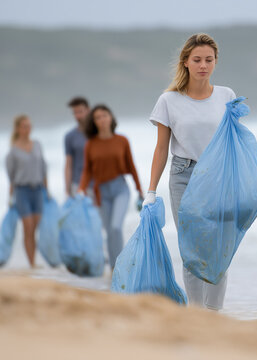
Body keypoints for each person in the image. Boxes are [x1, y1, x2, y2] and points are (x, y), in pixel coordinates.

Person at [142, 33, 237, 310]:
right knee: (192, 249)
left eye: (209, 60)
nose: (203, 65)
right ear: (185, 62)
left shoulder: (226, 96)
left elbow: (234, 143)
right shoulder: (168, 100)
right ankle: (195, 311)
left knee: (218, 249)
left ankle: (214, 312)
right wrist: (150, 190)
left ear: (216, 62)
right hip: (183, 176)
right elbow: (161, 149)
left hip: (218, 178)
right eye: (197, 60)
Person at [78, 105, 143, 270]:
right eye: (98, 117)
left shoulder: (122, 140)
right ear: (94, 122)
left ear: (111, 118)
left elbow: (131, 165)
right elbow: (87, 170)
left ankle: (120, 266)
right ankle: (115, 269)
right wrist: (81, 189)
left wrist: (140, 189)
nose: (102, 120)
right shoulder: (91, 145)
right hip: (101, 192)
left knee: (115, 227)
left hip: (120, 188)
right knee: (109, 231)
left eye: (105, 115)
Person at [5, 114, 48, 268]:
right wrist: (10, 197)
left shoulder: (37, 144)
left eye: (29, 126)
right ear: (18, 129)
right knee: (28, 227)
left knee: (35, 228)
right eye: (24, 126)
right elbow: (11, 176)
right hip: (22, 191)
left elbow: (43, 167)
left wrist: (47, 190)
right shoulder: (13, 151)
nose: (28, 129)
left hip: (38, 190)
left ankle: (33, 259)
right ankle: (32, 263)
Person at [64, 97, 90, 197]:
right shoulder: (70, 136)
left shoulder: (98, 133)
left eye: (80, 112)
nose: (78, 116)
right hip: (77, 184)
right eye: (75, 113)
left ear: (88, 110)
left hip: (98, 184)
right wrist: (67, 189)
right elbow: (68, 164)